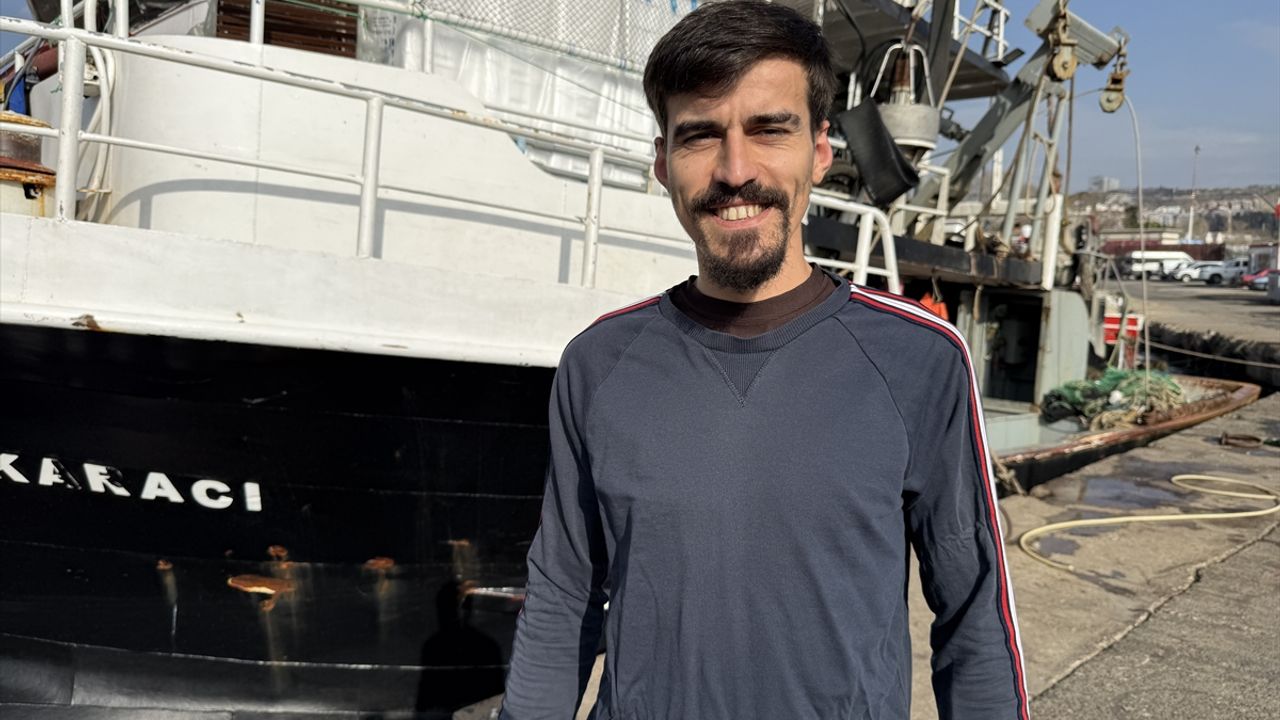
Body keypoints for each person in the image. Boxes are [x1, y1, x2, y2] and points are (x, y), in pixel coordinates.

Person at [499, 2, 1028, 718]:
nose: (735, 170)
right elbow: (563, 593)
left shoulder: (920, 360)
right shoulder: (598, 363)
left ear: (819, 151)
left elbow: (974, 613)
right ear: (663, 163)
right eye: (700, 135)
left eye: (769, 129)